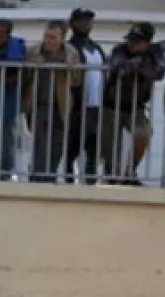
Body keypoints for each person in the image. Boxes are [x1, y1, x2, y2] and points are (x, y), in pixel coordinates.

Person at [99, 22, 165, 186]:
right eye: (131, 40)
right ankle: (111, 176)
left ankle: (130, 171)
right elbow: (119, 67)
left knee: (144, 133)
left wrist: (137, 65)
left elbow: (159, 72)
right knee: (110, 149)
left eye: (137, 41)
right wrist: (140, 64)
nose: (132, 44)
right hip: (111, 105)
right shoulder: (120, 50)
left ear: (147, 43)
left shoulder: (155, 51)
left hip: (136, 106)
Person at [23, 21, 81, 183]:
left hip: (60, 106)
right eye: (46, 36)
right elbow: (24, 75)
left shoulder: (70, 53)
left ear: (63, 37)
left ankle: (50, 175)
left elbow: (77, 81)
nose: (48, 40)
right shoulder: (33, 51)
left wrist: (68, 68)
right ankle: (38, 177)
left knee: (57, 145)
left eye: (53, 37)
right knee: (40, 143)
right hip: (38, 103)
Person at [64, 8, 106, 183]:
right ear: (72, 23)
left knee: (94, 146)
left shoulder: (96, 47)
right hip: (78, 104)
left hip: (96, 104)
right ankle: (68, 180)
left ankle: (90, 182)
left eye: (88, 20)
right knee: (72, 146)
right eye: (81, 20)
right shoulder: (69, 47)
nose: (85, 23)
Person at [0, 19, 27, 178]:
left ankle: (4, 174)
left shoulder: (15, 46)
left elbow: (12, 70)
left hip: (5, 105)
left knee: (4, 141)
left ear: (7, 36)